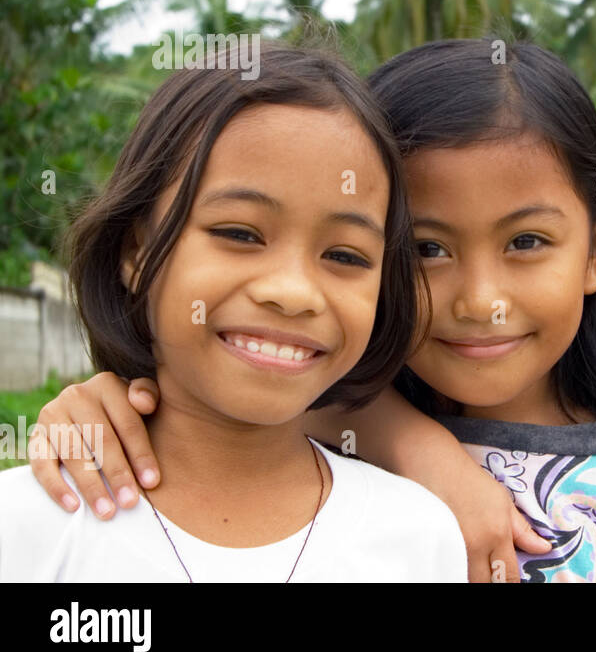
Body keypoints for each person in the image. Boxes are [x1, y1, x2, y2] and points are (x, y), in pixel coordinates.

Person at [29, 39, 596, 583]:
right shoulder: (305, 438)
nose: (480, 301)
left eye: (526, 241)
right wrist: (110, 400)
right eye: (426, 248)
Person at [0, 45, 466, 582]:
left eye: (344, 255)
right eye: (239, 233)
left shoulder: (419, 536)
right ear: (136, 251)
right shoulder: (30, 527)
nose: (293, 293)